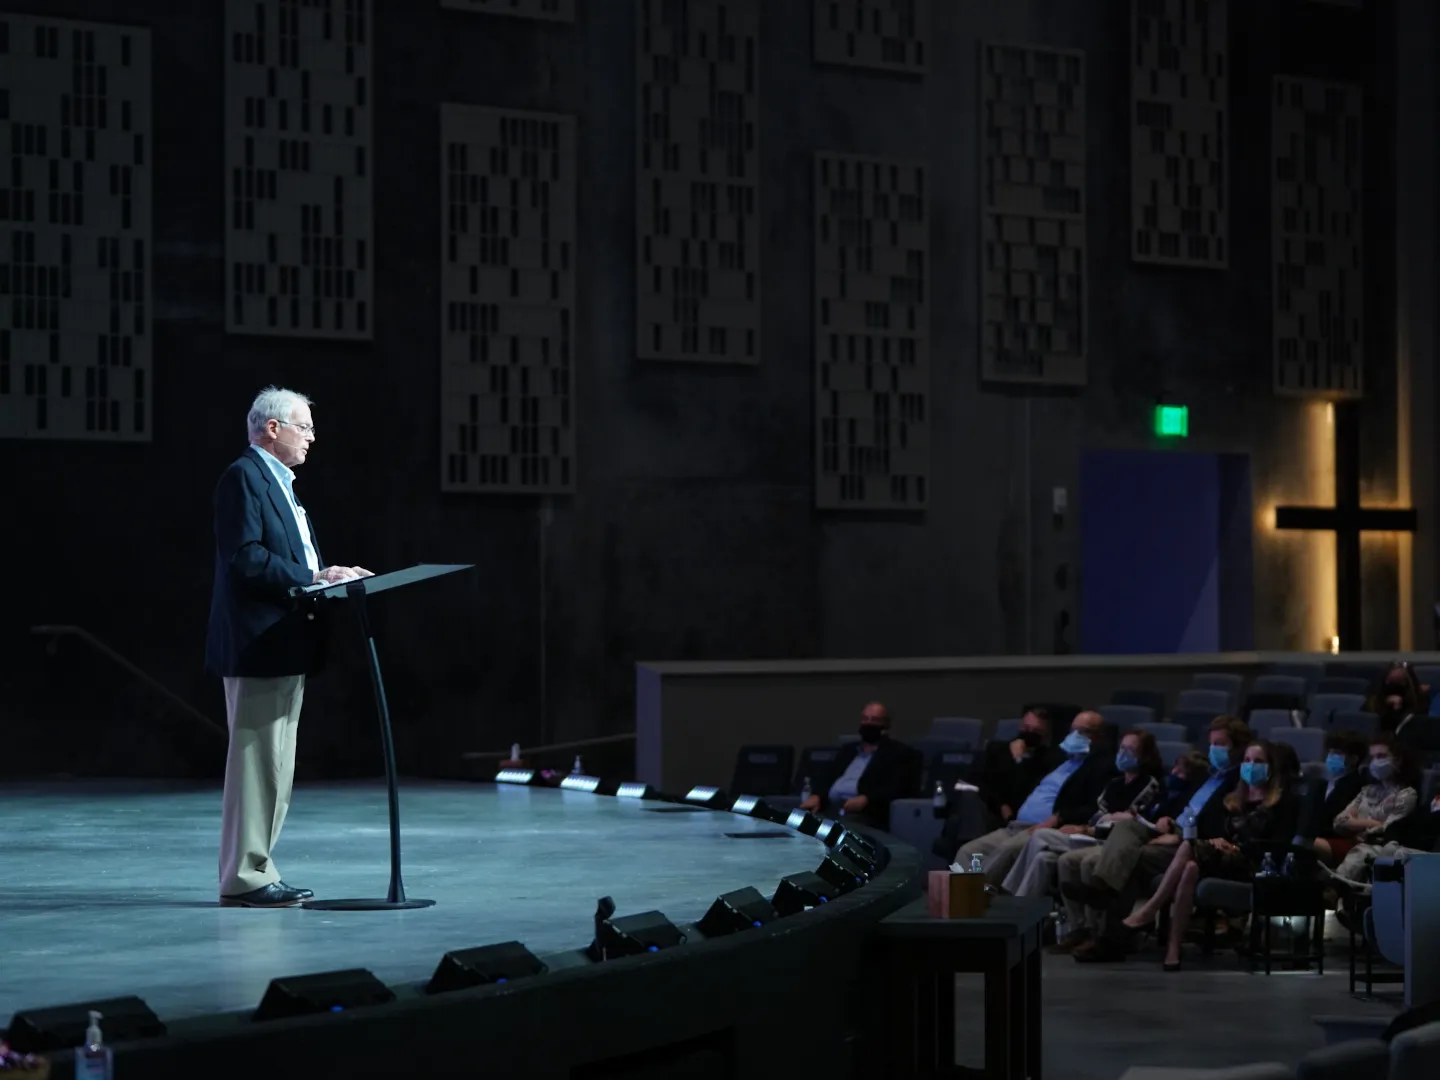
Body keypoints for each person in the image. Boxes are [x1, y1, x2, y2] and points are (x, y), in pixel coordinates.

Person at [206, 386, 373, 908]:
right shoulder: (244, 477)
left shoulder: (280, 483)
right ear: (271, 428)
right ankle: (244, 876)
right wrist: (313, 577)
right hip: (259, 642)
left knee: (276, 765)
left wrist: (325, 579)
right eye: (304, 427)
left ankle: (259, 868)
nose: (311, 438)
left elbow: (286, 555)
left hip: (287, 639)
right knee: (257, 764)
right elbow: (246, 559)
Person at [1065, 715, 1251, 962]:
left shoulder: (1238, 783)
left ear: (1237, 748)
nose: (1213, 749)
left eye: (1221, 744)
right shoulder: (1207, 776)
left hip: (1191, 843)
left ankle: (1110, 938)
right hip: (1171, 830)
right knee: (1127, 826)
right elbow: (1179, 806)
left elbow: (1220, 829)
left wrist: (1180, 836)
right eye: (1212, 743)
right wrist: (1166, 820)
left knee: (1134, 858)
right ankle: (1104, 889)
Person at [1120, 739, 1299, 970]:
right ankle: (1173, 948)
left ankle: (1150, 910)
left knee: (1189, 850)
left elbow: (1278, 845)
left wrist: (1237, 848)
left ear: (1271, 767)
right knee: (1190, 867)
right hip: (1218, 859)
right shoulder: (1231, 797)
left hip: (1253, 865)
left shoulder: (1283, 802)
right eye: (1246, 760)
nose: (1250, 766)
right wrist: (1216, 841)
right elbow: (1204, 827)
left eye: (1258, 761)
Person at [1052, 748, 1208, 955]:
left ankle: (1107, 933)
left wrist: (1173, 830)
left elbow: (1190, 827)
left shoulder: (1189, 797)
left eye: (1182, 772)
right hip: (1146, 835)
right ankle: (1099, 896)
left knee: (1121, 858)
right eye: (1176, 768)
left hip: (1173, 842)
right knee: (1124, 827)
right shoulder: (1163, 794)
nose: (1175, 773)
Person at [951, 711, 1115, 888]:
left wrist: (1057, 818)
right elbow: (1012, 771)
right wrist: (1017, 745)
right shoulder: (1058, 760)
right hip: (1015, 825)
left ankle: (972, 897)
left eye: (1083, 731)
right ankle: (955, 900)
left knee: (1008, 850)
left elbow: (1094, 806)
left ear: (1099, 737)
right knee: (968, 851)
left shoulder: (1101, 768)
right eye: (1073, 730)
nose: (1075, 736)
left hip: (1042, 830)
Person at [1000, 729, 1163, 897]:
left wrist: (1090, 828)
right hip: (1090, 834)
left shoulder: (1148, 785)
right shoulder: (1115, 783)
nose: (1123, 753)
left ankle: (1010, 897)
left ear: (1144, 756)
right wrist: (1086, 826)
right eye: (1122, 748)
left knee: (1040, 835)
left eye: (1130, 750)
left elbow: (1130, 823)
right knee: (1043, 858)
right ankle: (1024, 906)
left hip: (1107, 843)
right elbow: (1100, 815)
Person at [799, 702, 921, 830]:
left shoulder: (899, 753)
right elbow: (828, 776)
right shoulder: (848, 750)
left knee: (839, 827)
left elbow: (898, 787)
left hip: (867, 812)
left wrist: (867, 800)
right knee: (796, 821)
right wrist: (817, 795)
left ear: (886, 725)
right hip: (830, 808)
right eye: (865, 719)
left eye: (874, 720)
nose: (868, 723)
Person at [1330, 734, 1421, 883]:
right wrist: (1371, 823)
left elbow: (1387, 830)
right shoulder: (1367, 790)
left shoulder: (1407, 794)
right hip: (1354, 843)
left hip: (1377, 848)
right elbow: (1338, 822)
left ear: (1398, 760)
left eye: (1381, 756)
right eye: (1373, 757)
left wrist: (1354, 822)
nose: (1376, 762)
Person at [1304, 731, 1369, 864]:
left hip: (1337, 839)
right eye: (1330, 752)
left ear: (1354, 759)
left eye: (1337, 753)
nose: (1331, 756)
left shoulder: (1358, 786)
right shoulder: (1322, 784)